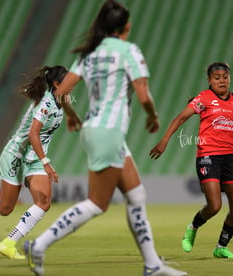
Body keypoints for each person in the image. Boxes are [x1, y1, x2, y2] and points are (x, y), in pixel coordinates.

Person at [23, 1, 187, 276]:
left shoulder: (90, 53)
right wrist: (153, 116)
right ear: (126, 26)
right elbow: (144, 95)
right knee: (97, 203)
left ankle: (152, 265)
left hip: (95, 129)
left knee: (136, 195)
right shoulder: (129, 51)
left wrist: (73, 116)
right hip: (108, 133)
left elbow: (61, 91)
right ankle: (39, 245)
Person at [149, 62, 233, 258]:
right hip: (208, 156)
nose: (221, 80)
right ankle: (193, 227)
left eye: (225, 77)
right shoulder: (203, 99)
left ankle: (220, 247)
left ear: (229, 79)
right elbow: (180, 118)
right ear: (209, 80)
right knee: (215, 205)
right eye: (217, 77)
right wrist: (164, 141)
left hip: (231, 157)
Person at [0, 65, 81, 260]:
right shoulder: (45, 104)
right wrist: (46, 163)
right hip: (16, 156)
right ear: (56, 84)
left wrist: (72, 118)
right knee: (5, 208)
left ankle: (8, 243)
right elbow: (33, 133)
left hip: (35, 159)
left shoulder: (61, 96)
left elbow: (66, 103)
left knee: (44, 202)